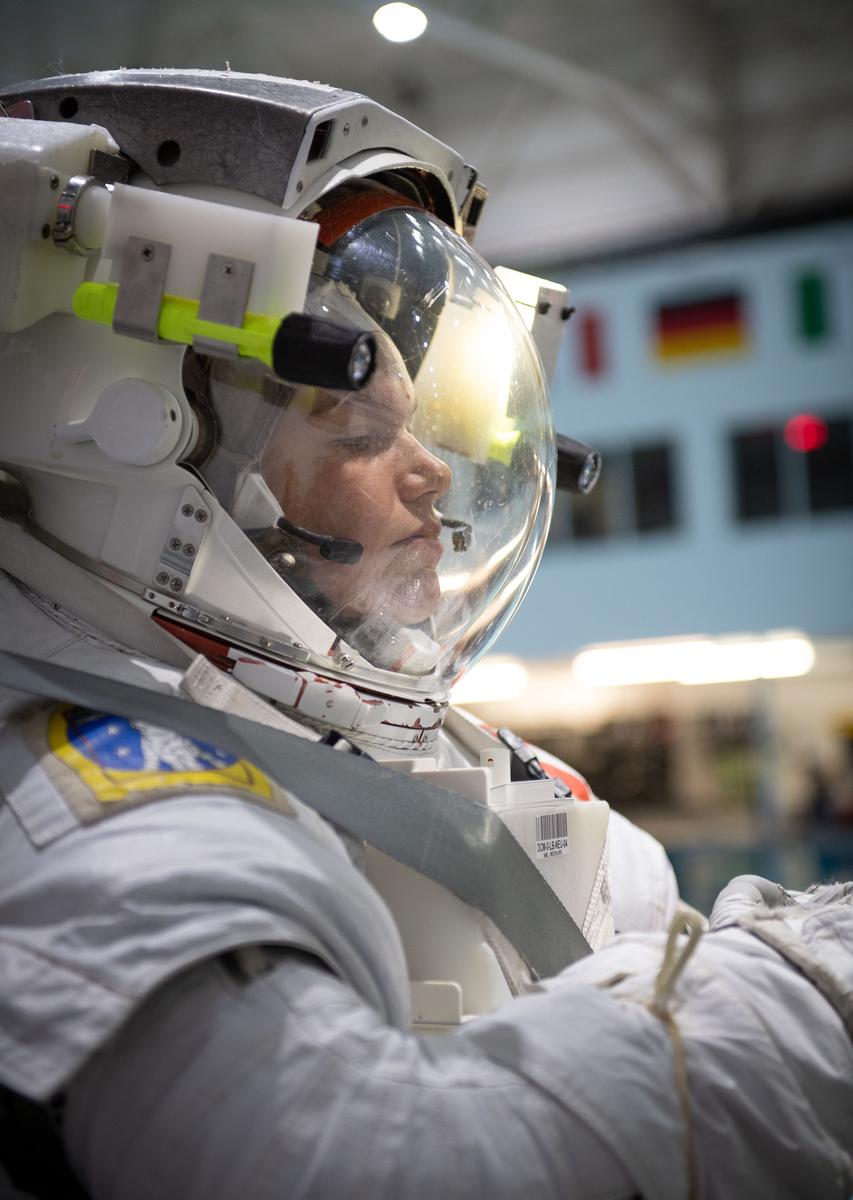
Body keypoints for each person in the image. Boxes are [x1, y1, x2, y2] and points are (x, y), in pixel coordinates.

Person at [0, 69, 850, 1200]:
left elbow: (670, 971)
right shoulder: (88, 817)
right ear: (138, 442)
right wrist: (814, 982)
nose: (434, 471)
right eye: (356, 427)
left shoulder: (477, 778)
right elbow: (375, 1162)